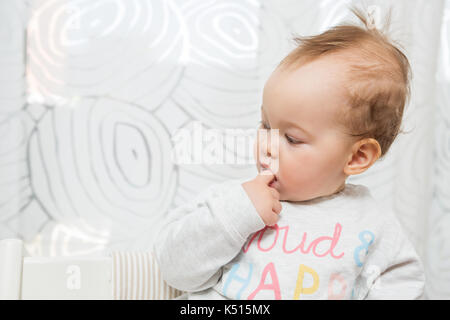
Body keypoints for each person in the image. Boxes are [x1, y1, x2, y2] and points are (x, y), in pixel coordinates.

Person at [153, 6, 425, 300]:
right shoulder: (231, 202)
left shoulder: (373, 226)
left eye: (292, 139)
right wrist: (235, 216)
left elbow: (406, 289)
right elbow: (173, 268)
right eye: (265, 124)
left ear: (357, 157)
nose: (267, 144)